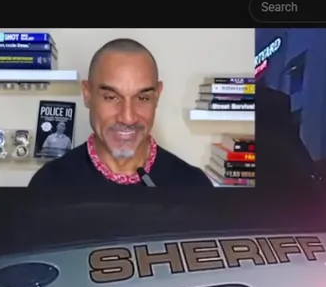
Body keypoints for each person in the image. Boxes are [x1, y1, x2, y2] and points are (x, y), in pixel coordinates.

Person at [29, 38, 213, 188]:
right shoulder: (49, 184)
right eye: (111, 97)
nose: (128, 118)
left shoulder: (193, 186)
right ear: (87, 94)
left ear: (157, 96)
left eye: (142, 98)